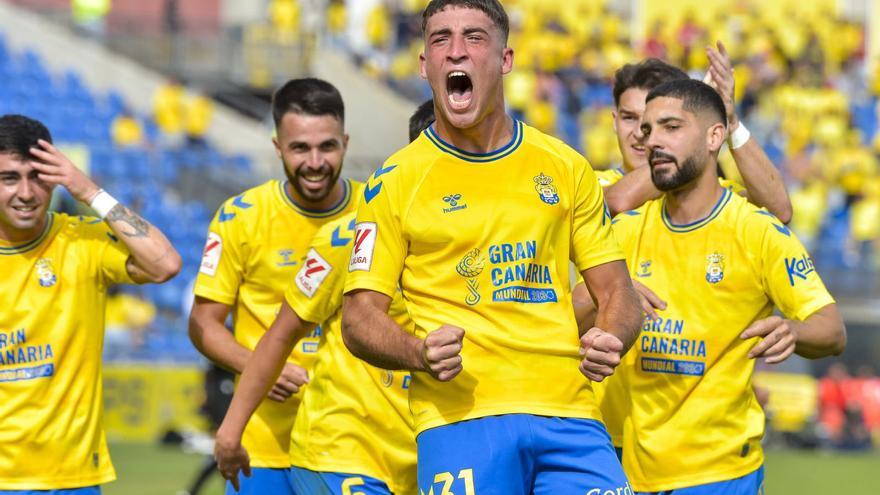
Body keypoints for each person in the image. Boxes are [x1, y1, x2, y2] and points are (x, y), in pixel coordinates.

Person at [342, 1, 643, 493]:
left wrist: (612, 336)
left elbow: (616, 292)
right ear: (424, 65)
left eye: (474, 38)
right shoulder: (396, 180)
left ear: (505, 60)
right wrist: (417, 352)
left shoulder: (566, 167)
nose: (456, 51)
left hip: (570, 415)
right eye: (440, 39)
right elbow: (358, 317)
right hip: (462, 420)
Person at [610, 79, 846, 494]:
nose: (653, 142)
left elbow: (832, 329)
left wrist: (795, 330)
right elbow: (569, 317)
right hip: (634, 471)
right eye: (647, 130)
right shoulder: (628, 230)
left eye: (671, 127)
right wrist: (610, 295)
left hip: (720, 474)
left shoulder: (756, 231)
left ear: (714, 136)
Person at [213, 104, 435, 495]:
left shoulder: (488, 241)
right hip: (342, 453)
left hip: (422, 456)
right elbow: (280, 333)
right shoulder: (349, 234)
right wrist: (232, 432)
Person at [189, 78, 362, 495]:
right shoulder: (241, 217)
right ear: (277, 147)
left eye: (328, 146)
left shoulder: (375, 212)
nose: (315, 161)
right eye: (300, 148)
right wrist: (259, 367)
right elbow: (203, 324)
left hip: (352, 445)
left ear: (346, 142)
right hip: (263, 443)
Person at [0, 114, 181, 492]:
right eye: (9, 178)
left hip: (74, 477)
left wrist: (89, 192)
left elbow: (165, 264)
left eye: (38, 176)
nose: (26, 192)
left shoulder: (82, 241)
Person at [600, 46, 792, 224]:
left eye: (669, 125)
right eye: (629, 118)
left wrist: (730, 122)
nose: (641, 134)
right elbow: (618, 202)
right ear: (614, 121)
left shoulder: (710, 192)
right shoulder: (587, 181)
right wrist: (678, 154)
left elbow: (778, 211)